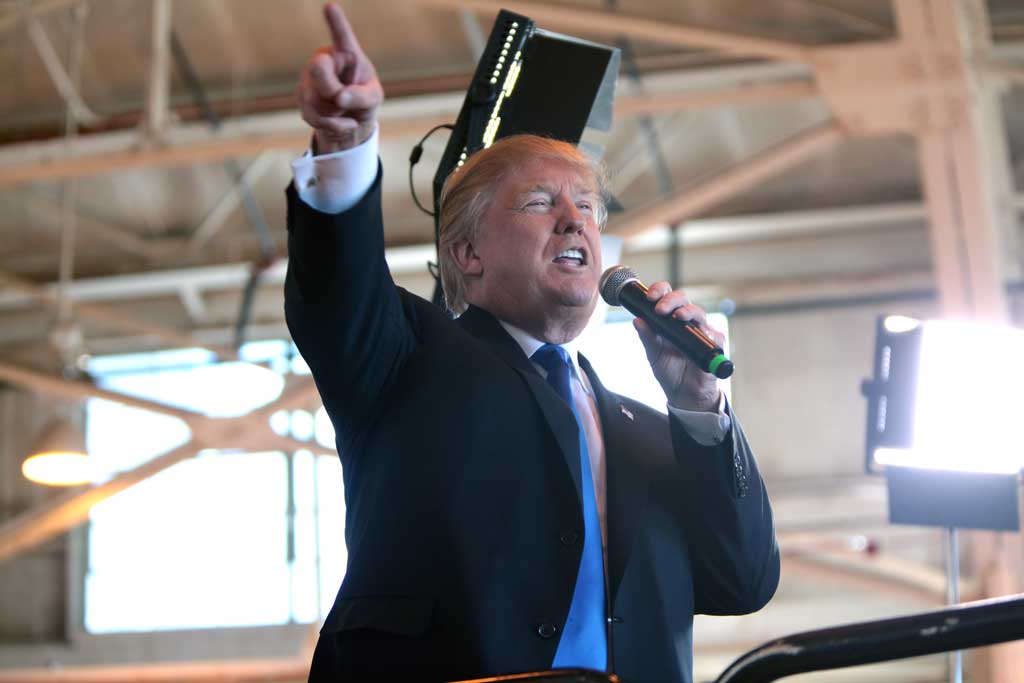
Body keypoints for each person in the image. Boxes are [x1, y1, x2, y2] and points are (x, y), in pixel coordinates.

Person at [285, 5, 779, 683]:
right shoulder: (409, 358)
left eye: (587, 206)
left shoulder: (645, 431)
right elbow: (339, 289)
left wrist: (701, 407)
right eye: (541, 202)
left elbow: (744, 580)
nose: (576, 218)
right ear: (468, 251)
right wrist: (344, 143)